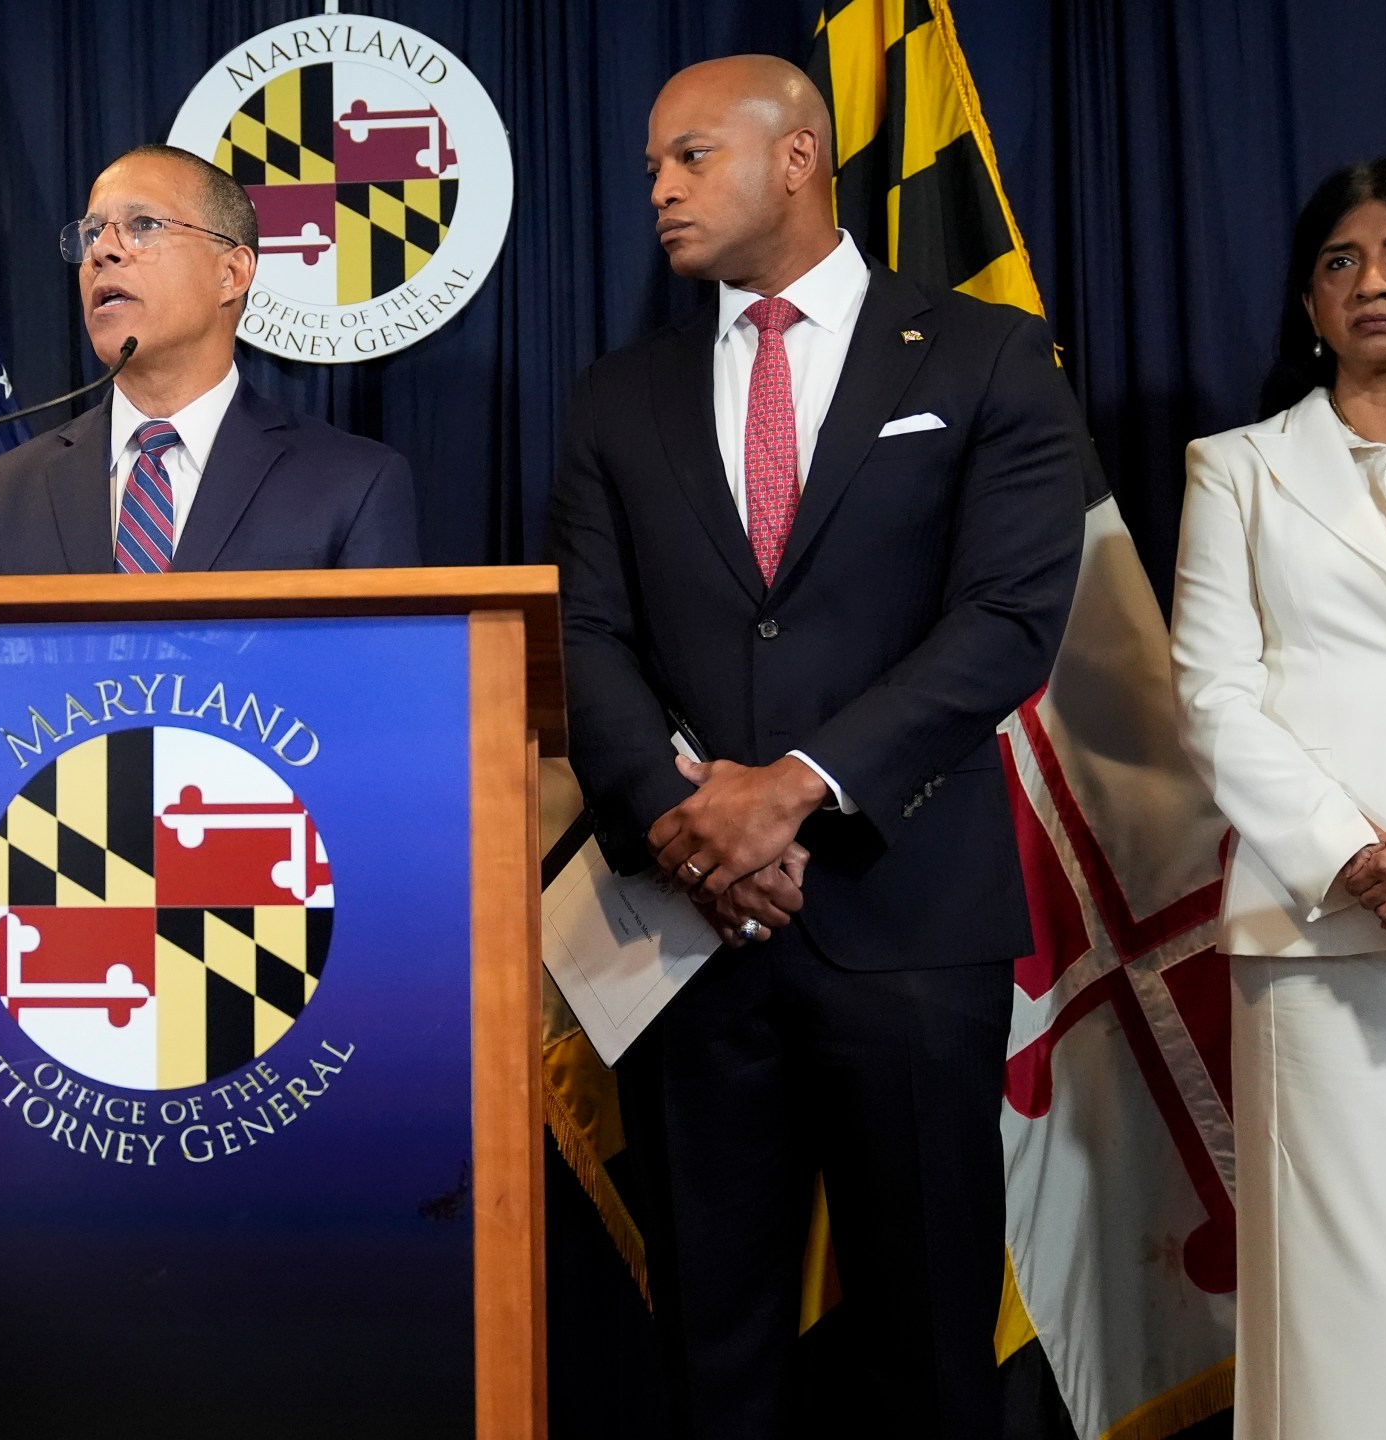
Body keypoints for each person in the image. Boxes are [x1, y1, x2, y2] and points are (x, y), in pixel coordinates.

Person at [547, 56, 1087, 1434]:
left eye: (689, 157)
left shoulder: (982, 354)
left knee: (929, 1344)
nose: (659, 189)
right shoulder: (620, 394)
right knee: (712, 1356)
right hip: (692, 934)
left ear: (798, 157)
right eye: (651, 167)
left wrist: (790, 792)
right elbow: (592, 642)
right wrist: (688, 829)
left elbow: (1009, 617)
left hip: (905, 919)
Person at [1170, 155, 1386, 1440]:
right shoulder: (1234, 468)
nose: (1372, 282)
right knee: (1339, 1303)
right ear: (1306, 303)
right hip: (1315, 931)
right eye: (1340, 262)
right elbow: (1212, 699)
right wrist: (1378, 869)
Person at [0, 143, 419, 574]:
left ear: (231, 273)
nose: (102, 251)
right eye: (92, 234)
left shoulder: (353, 484)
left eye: (143, 226)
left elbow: (377, 669)